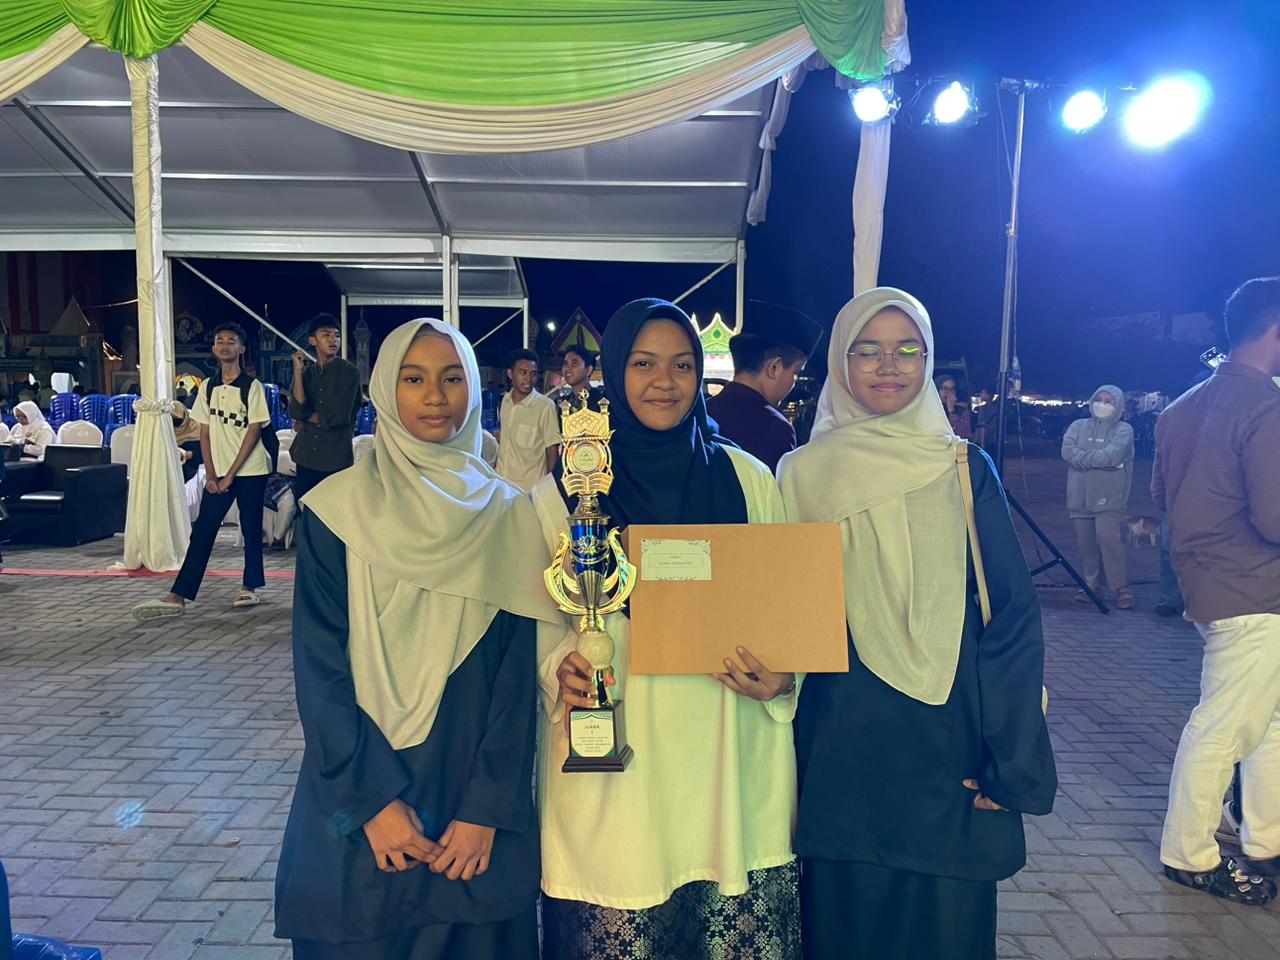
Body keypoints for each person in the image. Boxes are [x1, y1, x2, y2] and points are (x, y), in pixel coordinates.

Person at [777, 288, 1056, 960]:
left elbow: (1010, 617)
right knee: (845, 924)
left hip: (947, 743)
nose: (888, 366)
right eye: (866, 350)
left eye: (908, 350)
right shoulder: (799, 474)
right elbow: (780, 608)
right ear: (841, 363)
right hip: (841, 744)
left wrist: (1011, 761)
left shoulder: (961, 467)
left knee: (945, 927)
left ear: (929, 362)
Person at [274, 318, 558, 958]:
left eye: (452, 378)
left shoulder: (509, 514)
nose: (435, 396)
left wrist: (487, 809)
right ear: (384, 389)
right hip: (362, 800)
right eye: (414, 379)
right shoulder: (336, 512)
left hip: (470, 809)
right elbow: (319, 668)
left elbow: (517, 678)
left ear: (474, 390)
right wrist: (371, 803)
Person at [533, 299, 801, 960]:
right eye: (644, 364)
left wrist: (784, 675)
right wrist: (557, 668)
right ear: (615, 371)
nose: (665, 381)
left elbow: (784, 609)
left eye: (682, 365)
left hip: (725, 742)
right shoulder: (565, 491)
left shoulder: (748, 480)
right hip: (619, 748)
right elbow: (537, 615)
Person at [1155, 277, 1280, 906]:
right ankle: (1190, 854)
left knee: (1268, 721)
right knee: (1224, 726)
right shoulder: (1267, 407)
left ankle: (1266, 839)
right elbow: (1275, 517)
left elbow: (1163, 497)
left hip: (1208, 583)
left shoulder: (1181, 407)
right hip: (1257, 587)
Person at [131, 322, 271, 620]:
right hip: (218, 473)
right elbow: (204, 431)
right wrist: (211, 473)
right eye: (220, 340)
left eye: (231, 341)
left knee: (250, 528)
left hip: (251, 470)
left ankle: (249, 586)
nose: (225, 346)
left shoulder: (252, 387)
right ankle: (178, 594)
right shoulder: (207, 387)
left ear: (241, 348)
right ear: (214, 348)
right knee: (204, 531)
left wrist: (229, 475)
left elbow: (254, 432)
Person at [705, 301, 821, 472]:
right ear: (774, 368)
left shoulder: (703, 413)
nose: (793, 382)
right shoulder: (775, 428)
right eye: (795, 373)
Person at [1062, 385, 1135, 610]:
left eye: (1109, 401)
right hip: (1079, 496)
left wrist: (1083, 459)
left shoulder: (1124, 430)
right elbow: (1067, 451)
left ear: (1118, 405)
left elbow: (1112, 455)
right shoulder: (1078, 426)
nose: (1102, 404)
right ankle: (1091, 585)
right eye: (1099, 399)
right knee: (1086, 544)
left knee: (1109, 540)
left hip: (1110, 497)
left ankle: (1120, 587)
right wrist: (1102, 461)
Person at [289, 313, 364, 502]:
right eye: (326, 335)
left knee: (334, 510)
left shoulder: (349, 372)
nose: (333, 340)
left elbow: (339, 416)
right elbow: (296, 410)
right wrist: (297, 371)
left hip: (335, 457)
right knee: (304, 507)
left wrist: (305, 418)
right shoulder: (307, 373)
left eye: (336, 335)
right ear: (312, 340)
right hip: (305, 455)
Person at [494, 349, 559, 491]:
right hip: (502, 484)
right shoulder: (505, 401)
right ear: (510, 374)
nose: (529, 379)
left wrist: (550, 488)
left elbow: (552, 450)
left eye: (533, 374)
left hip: (529, 489)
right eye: (523, 373)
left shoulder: (545, 406)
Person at [557, 345, 603, 410]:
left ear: (588, 370)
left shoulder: (601, 401)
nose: (567, 368)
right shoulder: (562, 404)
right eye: (565, 363)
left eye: (574, 363)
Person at [170, 398, 204, 483]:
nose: (175, 423)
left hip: (191, 467)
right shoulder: (165, 430)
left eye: (178, 421)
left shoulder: (196, 426)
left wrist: (190, 454)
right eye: (172, 421)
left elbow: (205, 450)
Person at [935, 374, 973, 439]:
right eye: (945, 388)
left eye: (952, 389)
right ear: (937, 390)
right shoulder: (931, 410)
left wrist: (951, 411)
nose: (948, 392)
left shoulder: (963, 412)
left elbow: (963, 435)